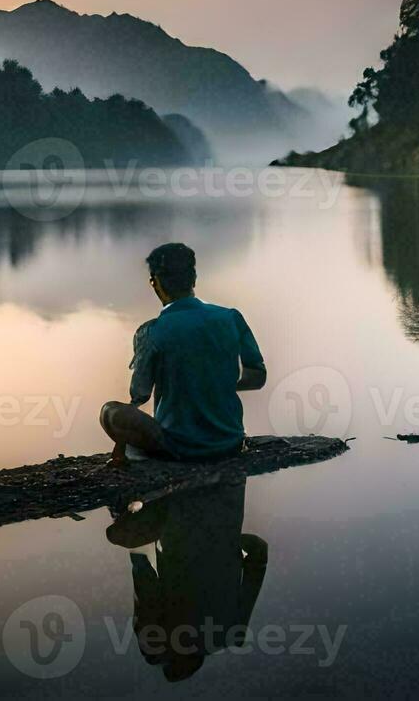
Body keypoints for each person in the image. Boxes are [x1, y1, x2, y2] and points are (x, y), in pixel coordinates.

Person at [100, 243, 267, 465]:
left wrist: (120, 446)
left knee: (111, 411)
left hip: (180, 447)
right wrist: (217, 382)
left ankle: (134, 459)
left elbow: (139, 394)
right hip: (230, 442)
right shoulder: (230, 317)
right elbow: (257, 376)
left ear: (155, 283)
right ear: (194, 278)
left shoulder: (151, 331)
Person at [104, 481, 268, 682]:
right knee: (117, 532)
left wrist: (227, 543)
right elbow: (145, 586)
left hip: (229, 491)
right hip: (177, 503)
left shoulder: (233, 631)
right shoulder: (163, 637)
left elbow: (259, 549)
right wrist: (136, 549)